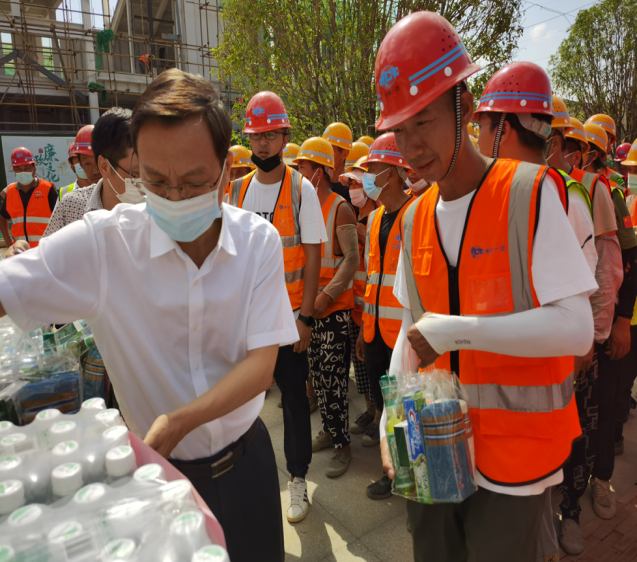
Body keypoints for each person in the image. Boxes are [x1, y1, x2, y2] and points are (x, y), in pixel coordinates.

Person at [0, 69, 294, 562]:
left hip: (247, 466)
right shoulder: (105, 245)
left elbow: (261, 367)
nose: (175, 198)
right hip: (158, 482)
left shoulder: (256, 243)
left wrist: (178, 422)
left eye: (194, 182)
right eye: (155, 181)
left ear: (226, 170)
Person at [375, 12, 596, 562]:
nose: (410, 147)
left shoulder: (529, 193)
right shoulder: (414, 217)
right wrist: (387, 416)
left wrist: (460, 332)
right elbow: (411, 329)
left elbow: (576, 328)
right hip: (431, 443)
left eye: (423, 122)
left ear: (466, 107)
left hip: (514, 463)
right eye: (399, 130)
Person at [229, 90, 326, 524]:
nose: (263, 143)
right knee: (240, 402)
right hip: (247, 323)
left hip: (288, 322)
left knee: (293, 403)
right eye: (256, 136)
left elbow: (313, 257)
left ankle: (298, 478)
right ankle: (243, 477)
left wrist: (306, 318)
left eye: (270, 135)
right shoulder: (237, 191)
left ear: (285, 136)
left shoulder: (302, 190)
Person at [581, 120, 637, 523]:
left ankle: (601, 479)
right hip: (574, 324)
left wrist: (621, 320)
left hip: (607, 319)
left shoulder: (609, 192)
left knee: (606, 404)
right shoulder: (553, 189)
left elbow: (629, 262)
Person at [354, 132, 414, 499]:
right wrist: (364, 329)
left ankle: (407, 478)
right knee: (384, 406)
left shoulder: (417, 215)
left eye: (372, 167)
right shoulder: (376, 218)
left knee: (404, 410)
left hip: (404, 337)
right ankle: (391, 472)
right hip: (376, 333)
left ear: (391, 172)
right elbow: (370, 278)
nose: (366, 176)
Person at [295, 137, 358, 478]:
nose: (299, 173)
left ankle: (342, 446)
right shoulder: (302, 207)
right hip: (310, 311)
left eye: (303, 167)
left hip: (333, 311)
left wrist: (327, 296)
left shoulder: (340, 207)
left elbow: (351, 259)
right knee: (318, 378)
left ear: (319, 172)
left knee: (334, 382)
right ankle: (329, 431)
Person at [44, 108, 143, 238]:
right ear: (104, 167)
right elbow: (49, 249)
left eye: (149, 173)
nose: (144, 181)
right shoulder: (70, 208)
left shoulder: (157, 209)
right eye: (136, 173)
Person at [340, 155, 379, 433]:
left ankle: (379, 417)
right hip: (355, 308)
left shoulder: (378, 220)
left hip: (374, 310)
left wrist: (367, 238)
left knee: (375, 369)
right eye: (351, 183)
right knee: (362, 369)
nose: (353, 188)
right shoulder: (353, 218)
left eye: (357, 183)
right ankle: (370, 410)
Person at [0, 147, 57, 248]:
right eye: (18, 169)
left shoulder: (48, 189)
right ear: (14, 171)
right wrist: (9, 243)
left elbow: (60, 218)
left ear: (34, 170)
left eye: (26, 168)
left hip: (45, 250)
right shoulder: (10, 191)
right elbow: (3, 216)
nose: (22, 172)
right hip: (20, 251)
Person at [59, 128, 99, 200]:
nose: (95, 170)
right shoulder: (65, 193)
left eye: (96, 161)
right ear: (72, 166)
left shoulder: (111, 190)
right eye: (87, 163)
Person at [323, 121, 354, 204]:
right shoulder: (319, 186)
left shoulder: (352, 193)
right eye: (325, 150)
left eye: (330, 150)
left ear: (344, 154)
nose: (326, 156)